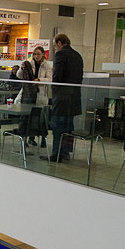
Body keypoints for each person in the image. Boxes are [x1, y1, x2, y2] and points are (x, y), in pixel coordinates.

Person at [41, 34, 83, 163]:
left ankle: (56, 153)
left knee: (58, 126)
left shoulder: (61, 55)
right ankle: (66, 152)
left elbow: (57, 76)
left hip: (62, 97)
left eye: (55, 45)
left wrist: (54, 90)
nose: (55, 49)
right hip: (74, 97)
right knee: (68, 127)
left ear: (60, 43)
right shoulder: (77, 55)